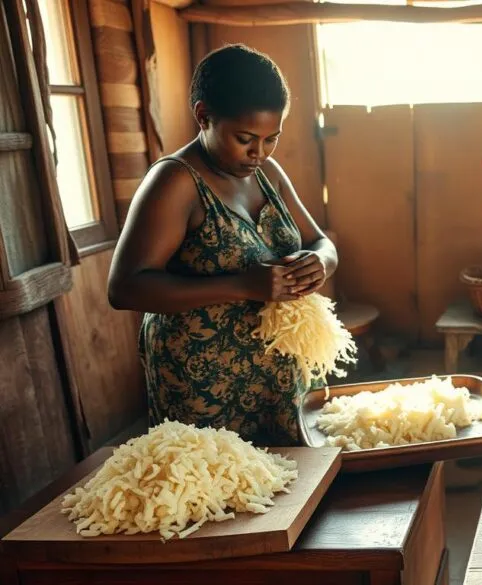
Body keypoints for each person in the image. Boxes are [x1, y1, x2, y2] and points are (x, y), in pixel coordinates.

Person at [107, 44, 337, 446]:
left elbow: (320, 240)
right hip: (204, 384)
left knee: (297, 484)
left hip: (277, 372)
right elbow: (125, 287)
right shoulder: (174, 183)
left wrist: (318, 261)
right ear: (203, 116)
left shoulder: (267, 172)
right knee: (223, 491)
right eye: (245, 138)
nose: (258, 153)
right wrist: (241, 285)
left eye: (272, 139)